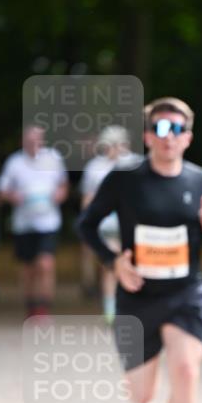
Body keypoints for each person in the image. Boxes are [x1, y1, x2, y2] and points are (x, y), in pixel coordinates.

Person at [77, 97, 202, 403]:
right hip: (138, 297)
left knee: (186, 369)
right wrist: (114, 263)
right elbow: (86, 225)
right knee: (141, 395)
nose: (169, 136)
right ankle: (145, 388)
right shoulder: (124, 179)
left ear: (188, 137)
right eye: (160, 128)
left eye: (177, 129)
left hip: (186, 294)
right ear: (147, 136)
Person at [0, 124, 68, 320]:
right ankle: (30, 306)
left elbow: (63, 185)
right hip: (23, 223)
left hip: (48, 221)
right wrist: (13, 197)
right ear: (23, 141)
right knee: (28, 268)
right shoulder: (14, 162)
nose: (34, 144)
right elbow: (2, 190)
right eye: (30, 140)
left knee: (45, 264)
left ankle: (44, 308)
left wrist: (59, 195)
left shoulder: (53, 158)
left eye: (37, 140)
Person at [80, 125, 142, 323]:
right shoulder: (95, 168)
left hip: (132, 224)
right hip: (107, 225)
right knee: (113, 263)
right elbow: (88, 199)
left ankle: (132, 304)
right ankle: (111, 307)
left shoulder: (136, 163)